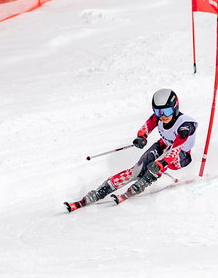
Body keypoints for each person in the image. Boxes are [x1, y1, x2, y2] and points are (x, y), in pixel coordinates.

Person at [65, 88, 200, 210]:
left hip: (181, 156)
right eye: (158, 111)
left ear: (175, 108)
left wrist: (161, 163)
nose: (162, 115)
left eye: (167, 111)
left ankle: (141, 183)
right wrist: (142, 137)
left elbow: (175, 149)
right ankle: (101, 191)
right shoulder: (158, 117)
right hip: (164, 145)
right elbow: (146, 127)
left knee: (155, 166)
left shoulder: (185, 125)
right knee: (137, 169)